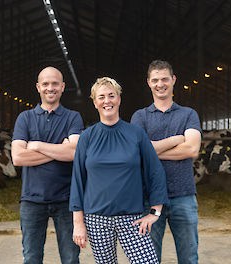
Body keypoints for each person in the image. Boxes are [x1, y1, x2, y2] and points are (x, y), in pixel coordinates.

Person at [69, 77, 168, 264]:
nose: (107, 101)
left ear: (119, 99)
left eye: (111, 95)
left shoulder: (136, 133)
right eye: (101, 97)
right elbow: (77, 179)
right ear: (95, 102)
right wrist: (78, 223)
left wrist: (155, 211)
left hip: (132, 218)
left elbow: (155, 171)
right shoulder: (87, 137)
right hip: (96, 219)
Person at [130, 60, 203, 264]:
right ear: (148, 83)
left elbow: (192, 149)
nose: (160, 84)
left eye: (164, 79)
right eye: (155, 80)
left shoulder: (188, 114)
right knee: (148, 258)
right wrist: (173, 141)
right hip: (148, 197)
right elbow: (135, 151)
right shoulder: (140, 116)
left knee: (189, 256)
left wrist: (151, 151)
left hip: (183, 195)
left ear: (173, 80)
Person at [11, 66, 84, 264]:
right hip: (32, 200)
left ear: (62, 87)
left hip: (66, 200)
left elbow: (75, 153)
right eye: (45, 84)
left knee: (70, 259)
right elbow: (17, 158)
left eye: (54, 84)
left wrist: (37, 146)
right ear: (38, 87)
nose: (49, 88)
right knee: (32, 258)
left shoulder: (73, 117)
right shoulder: (25, 118)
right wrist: (59, 150)